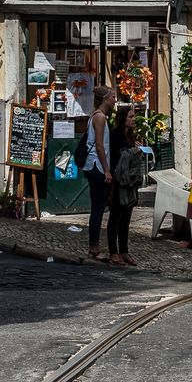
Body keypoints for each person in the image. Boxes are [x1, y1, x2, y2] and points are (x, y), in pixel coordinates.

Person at [84, 85, 117, 260]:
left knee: (98, 207)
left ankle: (94, 245)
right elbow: (99, 145)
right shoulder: (100, 117)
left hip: (94, 165)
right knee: (98, 208)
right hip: (96, 166)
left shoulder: (96, 116)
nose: (114, 100)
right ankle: (94, 246)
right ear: (105, 99)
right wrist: (106, 169)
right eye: (113, 97)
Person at [107, 106, 140, 266]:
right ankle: (113, 251)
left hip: (130, 181)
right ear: (123, 118)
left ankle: (124, 250)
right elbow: (115, 157)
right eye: (131, 117)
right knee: (115, 217)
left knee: (126, 217)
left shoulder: (131, 136)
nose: (133, 119)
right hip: (118, 180)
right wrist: (131, 151)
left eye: (134, 117)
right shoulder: (115, 135)